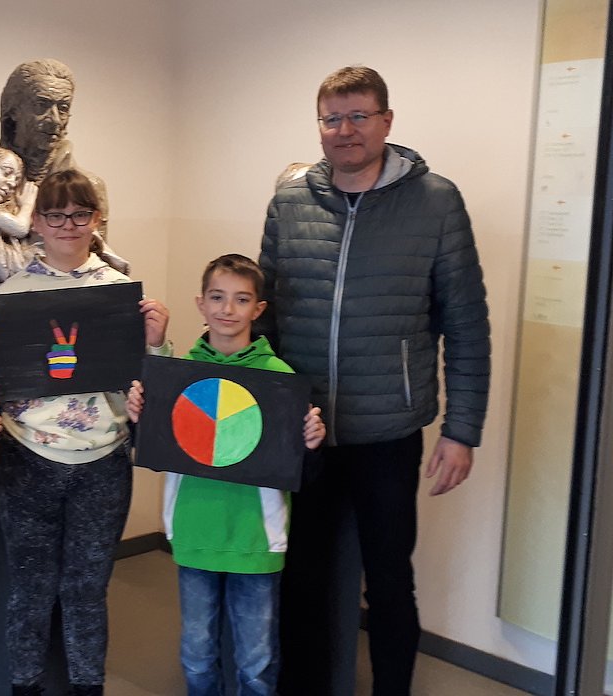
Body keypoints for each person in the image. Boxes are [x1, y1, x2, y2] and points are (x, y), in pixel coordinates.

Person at [261, 66, 491, 695]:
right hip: (303, 430)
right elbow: (266, 315)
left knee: (388, 581)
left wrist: (462, 430)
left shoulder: (436, 201)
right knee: (300, 575)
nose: (345, 130)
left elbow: (466, 322)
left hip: (388, 430)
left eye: (358, 116)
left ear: (387, 121)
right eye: (332, 118)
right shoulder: (289, 202)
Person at [0, 170, 172, 696]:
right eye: (55, 214)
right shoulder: (11, 295)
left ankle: (86, 687)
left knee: (87, 590)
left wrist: (158, 343)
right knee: (29, 590)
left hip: (103, 462)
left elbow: (148, 386)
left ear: (96, 219)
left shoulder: (120, 292)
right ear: (36, 221)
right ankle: (26, 686)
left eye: (80, 214)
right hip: (25, 459)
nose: (68, 225)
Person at [125, 254, 325, 696]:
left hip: (255, 539)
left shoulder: (280, 379)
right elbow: (158, 452)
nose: (227, 309)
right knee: (197, 657)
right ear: (201, 303)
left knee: (257, 662)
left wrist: (311, 443)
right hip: (195, 532)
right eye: (217, 297)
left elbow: (302, 471)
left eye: (241, 299)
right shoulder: (180, 375)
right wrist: (141, 418)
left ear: (258, 309)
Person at [0, 59, 127, 313]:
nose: (55, 120)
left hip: (62, 324)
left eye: (63, 107)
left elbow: (93, 278)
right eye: (41, 105)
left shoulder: (88, 189)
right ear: (14, 111)